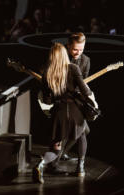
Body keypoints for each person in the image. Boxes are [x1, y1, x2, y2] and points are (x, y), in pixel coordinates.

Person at [32, 43, 98, 184]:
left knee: (56, 147)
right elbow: (86, 91)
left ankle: (40, 165)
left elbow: (48, 100)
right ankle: (80, 168)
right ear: (64, 54)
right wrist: (94, 104)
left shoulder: (47, 73)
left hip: (58, 112)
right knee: (81, 135)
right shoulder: (73, 68)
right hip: (75, 111)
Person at [60, 32, 91, 161]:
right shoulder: (60, 57)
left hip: (76, 100)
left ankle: (59, 155)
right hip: (62, 99)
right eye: (75, 49)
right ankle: (56, 157)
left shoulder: (86, 60)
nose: (78, 52)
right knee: (81, 130)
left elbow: (84, 81)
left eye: (81, 49)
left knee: (83, 130)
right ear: (68, 46)